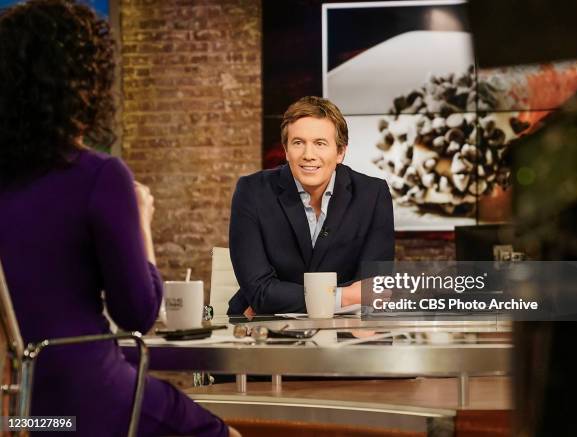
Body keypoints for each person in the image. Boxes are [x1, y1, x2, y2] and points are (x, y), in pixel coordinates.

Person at [0, 1, 239, 436]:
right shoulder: (100, 176)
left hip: (17, 413)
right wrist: (142, 217)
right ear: (86, 85)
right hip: (83, 403)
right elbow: (138, 313)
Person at [228, 96, 395, 316]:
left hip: (347, 329)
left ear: (340, 152)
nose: (308, 155)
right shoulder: (252, 191)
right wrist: (344, 297)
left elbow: (374, 290)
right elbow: (260, 292)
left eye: (320, 143)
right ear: (286, 150)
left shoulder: (373, 194)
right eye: (298, 143)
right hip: (262, 329)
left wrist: (281, 298)